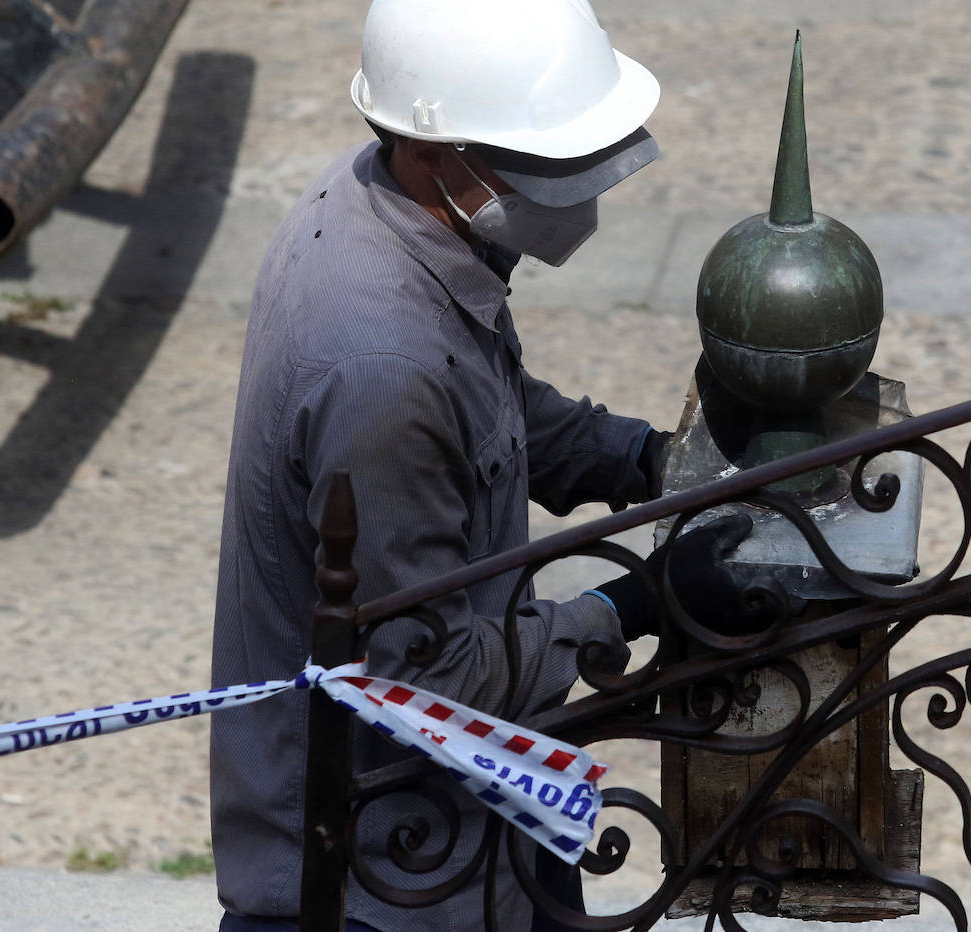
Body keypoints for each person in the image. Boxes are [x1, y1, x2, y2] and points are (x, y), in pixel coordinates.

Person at [209, 1, 757, 929]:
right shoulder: (381, 361)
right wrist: (629, 606)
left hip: (478, 819)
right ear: (436, 153)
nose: (575, 189)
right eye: (545, 163)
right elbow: (426, 680)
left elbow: (489, 405)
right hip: (384, 874)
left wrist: (649, 460)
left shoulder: (388, 208)